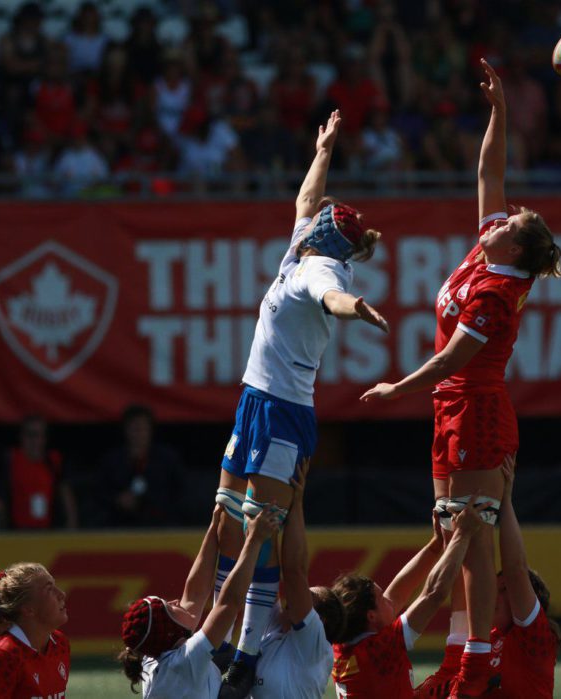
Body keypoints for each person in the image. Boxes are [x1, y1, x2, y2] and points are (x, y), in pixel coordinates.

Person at [361, 59, 561, 699]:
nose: (501, 217)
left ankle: (473, 670)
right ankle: (457, 660)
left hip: (475, 407)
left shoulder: (499, 293)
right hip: (450, 408)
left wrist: (397, 388)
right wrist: (501, 112)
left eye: (512, 223)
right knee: (451, 529)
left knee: (474, 534)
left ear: (518, 249)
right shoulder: (488, 251)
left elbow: (452, 362)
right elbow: (488, 173)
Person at [214, 109, 388, 698]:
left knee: (260, 528)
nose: (308, 219)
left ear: (326, 236)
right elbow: (304, 198)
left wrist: (356, 308)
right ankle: (226, 635)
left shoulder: (320, 265)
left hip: (284, 412)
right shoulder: (302, 246)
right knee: (225, 520)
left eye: (318, 221)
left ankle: (242, 655)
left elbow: (332, 296)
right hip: (254, 400)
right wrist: (325, 148)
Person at [117, 506, 282, 698]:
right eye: (169, 606)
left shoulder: (153, 655)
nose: (176, 601)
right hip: (193, 679)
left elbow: (194, 594)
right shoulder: (183, 664)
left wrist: (214, 527)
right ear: (171, 631)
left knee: (221, 654)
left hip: (190, 679)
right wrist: (255, 539)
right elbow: (229, 603)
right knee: (240, 673)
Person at [331, 499, 483, 697]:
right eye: (381, 598)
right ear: (371, 616)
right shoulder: (379, 650)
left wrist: (435, 546)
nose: (389, 599)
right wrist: (462, 534)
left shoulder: (344, 644)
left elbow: (396, 595)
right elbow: (433, 594)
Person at [252, 459, 346, 698]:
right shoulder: (277, 629)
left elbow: (294, 573)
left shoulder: (315, 645)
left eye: (309, 596)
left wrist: (296, 502)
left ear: (319, 620)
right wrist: (268, 509)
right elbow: (264, 571)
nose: (300, 595)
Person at [487, 455, 561, 698]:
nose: (492, 597)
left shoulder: (533, 636)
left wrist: (504, 501)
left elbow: (516, 570)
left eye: (502, 590)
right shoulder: (490, 637)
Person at [0, 562, 70, 698]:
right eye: (49, 589)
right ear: (28, 609)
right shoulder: (3, 657)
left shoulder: (60, 644)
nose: (62, 594)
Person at [0, 414, 79, 530]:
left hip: (46, 532)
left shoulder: (54, 461)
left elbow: (65, 492)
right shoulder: (9, 458)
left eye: (41, 435)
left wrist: (72, 523)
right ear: (22, 436)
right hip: (15, 533)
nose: (36, 440)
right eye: (32, 435)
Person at [97, 404, 182, 526]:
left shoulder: (168, 460)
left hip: (160, 525)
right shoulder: (112, 461)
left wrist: (147, 501)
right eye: (134, 428)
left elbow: (178, 494)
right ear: (125, 430)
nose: (138, 434)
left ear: (150, 430)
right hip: (118, 525)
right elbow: (100, 492)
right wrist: (118, 500)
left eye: (143, 428)